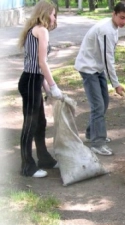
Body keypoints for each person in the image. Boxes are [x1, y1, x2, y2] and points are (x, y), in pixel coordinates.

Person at [74, 1, 125, 156]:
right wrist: (116, 84)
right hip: (88, 68)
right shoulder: (105, 29)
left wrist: (113, 82)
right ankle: (97, 143)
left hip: (97, 68)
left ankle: (90, 133)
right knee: (98, 106)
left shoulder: (114, 28)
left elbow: (108, 57)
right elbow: (108, 60)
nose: (124, 22)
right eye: (122, 18)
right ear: (114, 14)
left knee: (104, 102)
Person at [17, 0, 61, 178]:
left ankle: (44, 159)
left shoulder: (33, 29)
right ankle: (27, 166)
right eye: (53, 14)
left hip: (33, 80)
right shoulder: (41, 30)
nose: (54, 18)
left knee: (40, 123)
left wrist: (46, 88)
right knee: (30, 125)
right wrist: (53, 86)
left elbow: (36, 65)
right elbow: (42, 62)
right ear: (45, 13)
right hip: (30, 82)